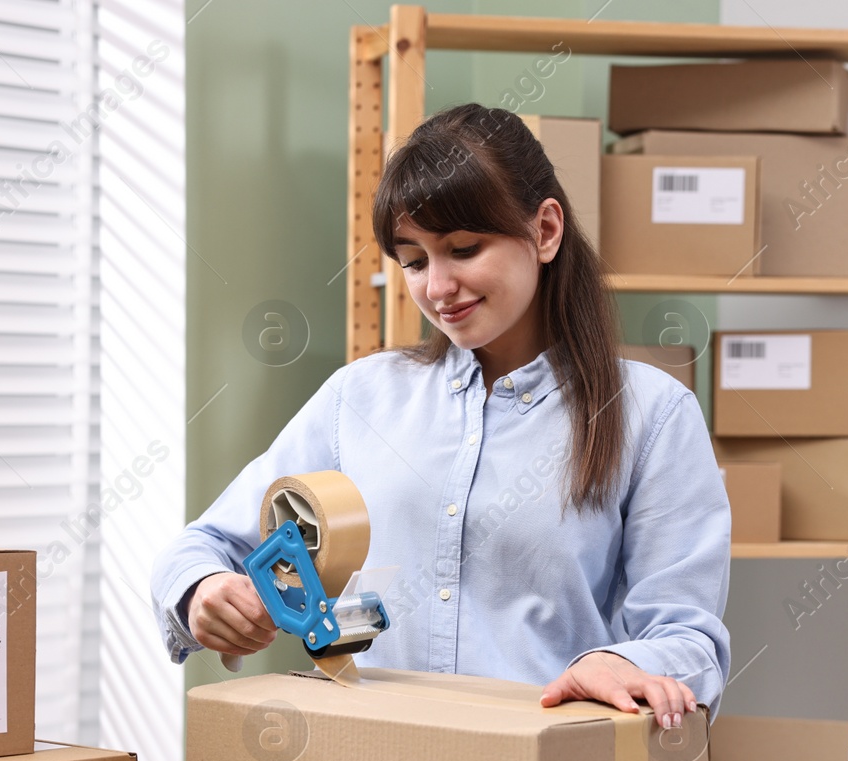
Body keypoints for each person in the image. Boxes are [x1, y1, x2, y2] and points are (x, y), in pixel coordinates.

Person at [150, 103, 731, 728]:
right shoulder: (361, 399)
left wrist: (620, 661)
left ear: (545, 231)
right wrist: (202, 592)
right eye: (415, 261)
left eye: (463, 248)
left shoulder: (652, 415)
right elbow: (204, 544)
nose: (438, 287)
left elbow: (689, 639)